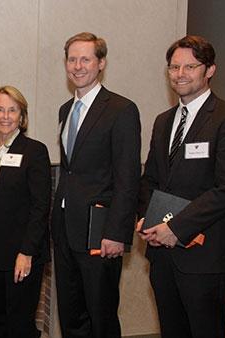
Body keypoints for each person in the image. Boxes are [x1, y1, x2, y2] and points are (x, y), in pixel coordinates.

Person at [137, 35, 225, 338]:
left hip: (203, 257)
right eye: (174, 67)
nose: (180, 74)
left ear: (210, 70)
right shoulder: (163, 121)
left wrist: (175, 227)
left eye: (190, 66)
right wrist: (146, 218)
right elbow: (151, 180)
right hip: (161, 255)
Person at [51, 32, 141, 338]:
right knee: (71, 316)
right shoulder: (65, 110)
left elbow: (128, 178)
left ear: (100, 63)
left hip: (99, 233)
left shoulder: (121, 110)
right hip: (65, 229)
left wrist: (117, 232)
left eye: (85, 59)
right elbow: (70, 170)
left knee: (100, 317)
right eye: (72, 59)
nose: (78, 66)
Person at [0, 85, 51, 337]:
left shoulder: (34, 151)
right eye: (0, 109)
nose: (6, 116)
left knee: (19, 323)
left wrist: (26, 251)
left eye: (12, 110)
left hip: (21, 254)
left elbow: (40, 207)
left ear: (22, 116)